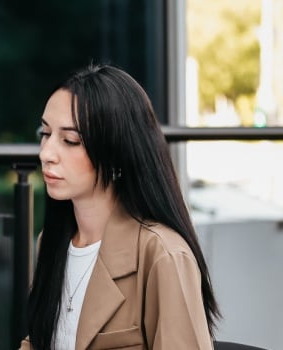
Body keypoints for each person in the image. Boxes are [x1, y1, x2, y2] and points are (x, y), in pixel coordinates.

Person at [20, 64, 219, 349]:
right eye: (45, 134)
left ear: (116, 156)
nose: (47, 153)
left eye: (70, 140)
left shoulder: (162, 254)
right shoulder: (50, 243)